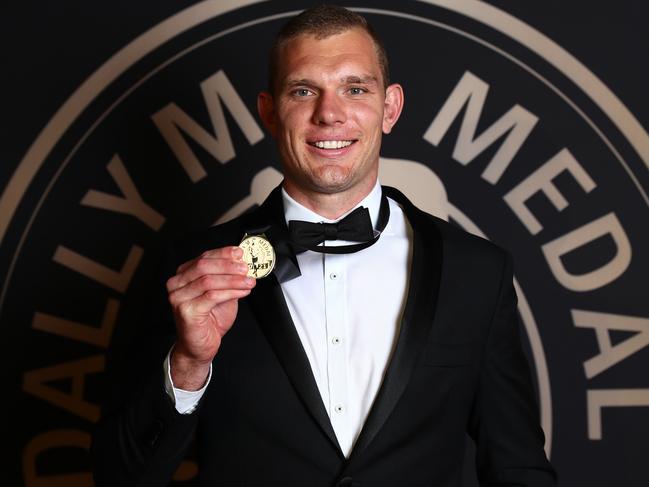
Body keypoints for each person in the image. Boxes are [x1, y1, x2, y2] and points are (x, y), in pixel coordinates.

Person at [92, 5, 557, 486]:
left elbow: (518, 467)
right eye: (303, 90)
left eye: (355, 89)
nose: (329, 113)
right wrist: (189, 363)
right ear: (270, 113)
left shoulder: (476, 271)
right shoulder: (188, 270)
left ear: (390, 108)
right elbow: (120, 476)